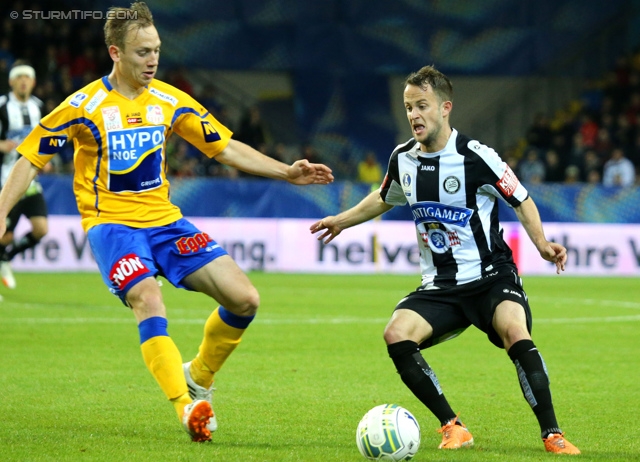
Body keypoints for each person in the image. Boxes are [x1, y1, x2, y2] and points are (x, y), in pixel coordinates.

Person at [0, 2, 333, 443]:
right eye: (142, 52)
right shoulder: (83, 105)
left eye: (156, 50)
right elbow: (29, 157)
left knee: (245, 298)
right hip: (112, 225)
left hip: (166, 223)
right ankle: (186, 408)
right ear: (116, 54)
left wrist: (286, 172)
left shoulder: (169, 100)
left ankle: (198, 375)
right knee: (147, 297)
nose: (153, 60)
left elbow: (225, 148)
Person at [311, 65, 580, 455]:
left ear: (445, 108)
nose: (414, 115)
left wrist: (540, 243)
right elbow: (385, 197)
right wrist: (341, 220)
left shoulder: (477, 157)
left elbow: (520, 198)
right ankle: (453, 425)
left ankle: (552, 434)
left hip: (490, 277)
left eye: (422, 106)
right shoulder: (402, 158)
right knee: (396, 333)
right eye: (408, 107)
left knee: (515, 332)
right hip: (440, 287)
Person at [0, 60, 48, 290]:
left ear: (33, 82)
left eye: (27, 77)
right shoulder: (2, 106)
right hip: (5, 180)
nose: (23, 81)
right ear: (11, 82)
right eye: (19, 77)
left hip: (31, 182)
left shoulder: (38, 106)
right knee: (4, 235)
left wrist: (47, 160)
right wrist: (3, 146)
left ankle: (6, 258)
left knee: (41, 229)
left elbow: (46, 141)